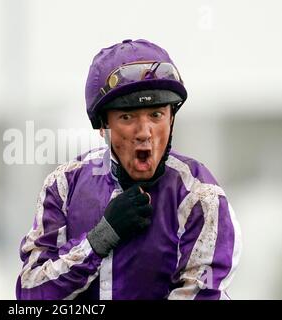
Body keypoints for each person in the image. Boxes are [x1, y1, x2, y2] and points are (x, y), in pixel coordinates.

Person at [15, 39, 242, 300]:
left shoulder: (201, 196)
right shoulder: (64, 185)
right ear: (103, 126)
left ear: (171, 120)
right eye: (127, 117)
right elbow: (30, 293)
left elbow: (202, 293)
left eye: (156, 115)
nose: (144, 133)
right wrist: (100, 239)